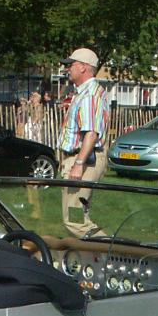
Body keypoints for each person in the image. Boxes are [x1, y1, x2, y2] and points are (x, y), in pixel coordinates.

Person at [57, 48, 109, 235]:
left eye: (71, 65)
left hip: (85, 160)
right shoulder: (83, 92)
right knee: (77, 218)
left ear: (84, 67)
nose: (67, 69)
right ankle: (89, 259)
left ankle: (112, 255)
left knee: (76, 221)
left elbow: (91, 133)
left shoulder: (90, 95)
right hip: (81, 159)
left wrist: (78, 163)